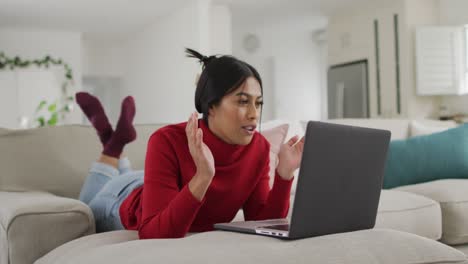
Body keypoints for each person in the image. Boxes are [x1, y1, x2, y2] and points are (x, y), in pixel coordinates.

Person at [78, 48, 305, 239]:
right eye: (243, 102)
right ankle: (113, 147)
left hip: (153, 181)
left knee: (127, 178)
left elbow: (261, 222)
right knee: (85, 206)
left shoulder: (259, 148)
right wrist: (203, 177)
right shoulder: (166, 140)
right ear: (211, 106)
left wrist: (284, 174)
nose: (255, 114)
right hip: (121, 197)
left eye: (259, 103)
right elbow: (153, 233)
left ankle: (113, 141)